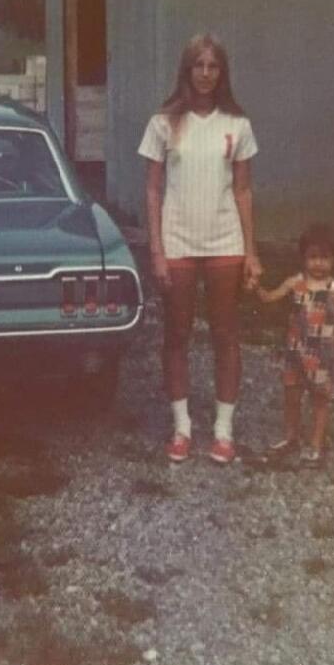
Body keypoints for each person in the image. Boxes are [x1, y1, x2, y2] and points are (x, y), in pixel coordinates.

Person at [138, 34, 262, 464]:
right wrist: (156, 248)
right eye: (198, 65)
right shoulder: (163, 122)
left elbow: (243, 190)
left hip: (225, 241)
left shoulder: (238, 124)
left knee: (226, 334)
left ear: (222, 72)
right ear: (186, 70)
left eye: (213, 66)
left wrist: (251, 251)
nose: (206, 74)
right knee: (177, 334)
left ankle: (223, 431)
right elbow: (153, 191)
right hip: (178, 243)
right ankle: (182, 427)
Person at [255, 223, 334, 468]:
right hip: (295, 353)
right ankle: (291, 438)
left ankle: (316, 445)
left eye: (325, 258)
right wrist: (256, 287)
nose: (318, 264)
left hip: (322, 357)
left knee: (320, 399)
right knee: (291, 395)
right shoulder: (294, 283)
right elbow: (269, 298)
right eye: (313, 258)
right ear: (303, 257)